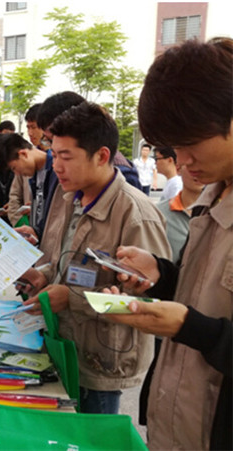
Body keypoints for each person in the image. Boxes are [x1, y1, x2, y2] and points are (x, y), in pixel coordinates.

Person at [103, 37, 232, 450]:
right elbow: (207, 296)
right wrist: (162, 276)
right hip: (174, 424)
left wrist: (189, 328)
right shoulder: (211, 197)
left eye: (190, 144)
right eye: (174, 147)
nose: (182, 160)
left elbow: (203, 324)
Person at [19, 101, 171, 414]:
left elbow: (148, 302)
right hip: (63, 343)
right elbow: (66, 259)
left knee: (92, 432)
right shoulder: (70, 198)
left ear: (101, 156)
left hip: (101, 360)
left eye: (66, 157)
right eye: (53, 155)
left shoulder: (136, 214)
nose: (56, 166)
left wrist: (71, 299)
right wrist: (44, 275)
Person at [7, 104, 47, 226]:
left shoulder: (57, 163)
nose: (30, 133)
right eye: (28, 127)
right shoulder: (24, 159)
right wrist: (20, 223)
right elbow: (14, 197)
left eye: (33, 127)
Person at [155, 164, 204, 262]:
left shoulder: (222, 215)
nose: (200, 171)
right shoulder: (158, 214)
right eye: (191, 165)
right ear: (178, 168)